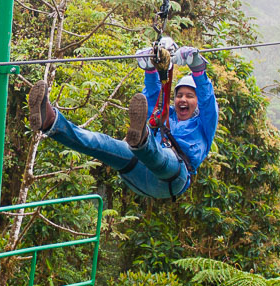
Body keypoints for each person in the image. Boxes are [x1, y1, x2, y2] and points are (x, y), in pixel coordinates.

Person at [28, 42, 218, 198]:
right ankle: (50, 121)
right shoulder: (165, 114)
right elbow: (151, 96)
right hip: (136, 170)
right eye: (180, 95)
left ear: (197, 103)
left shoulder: (203, 124)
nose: (183, 100)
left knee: (161, 156)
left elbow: (208, 99)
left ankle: (141, 140)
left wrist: (196, 66)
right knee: (100, 143)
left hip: (171, 177)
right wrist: (150, 68)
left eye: (189, 96)